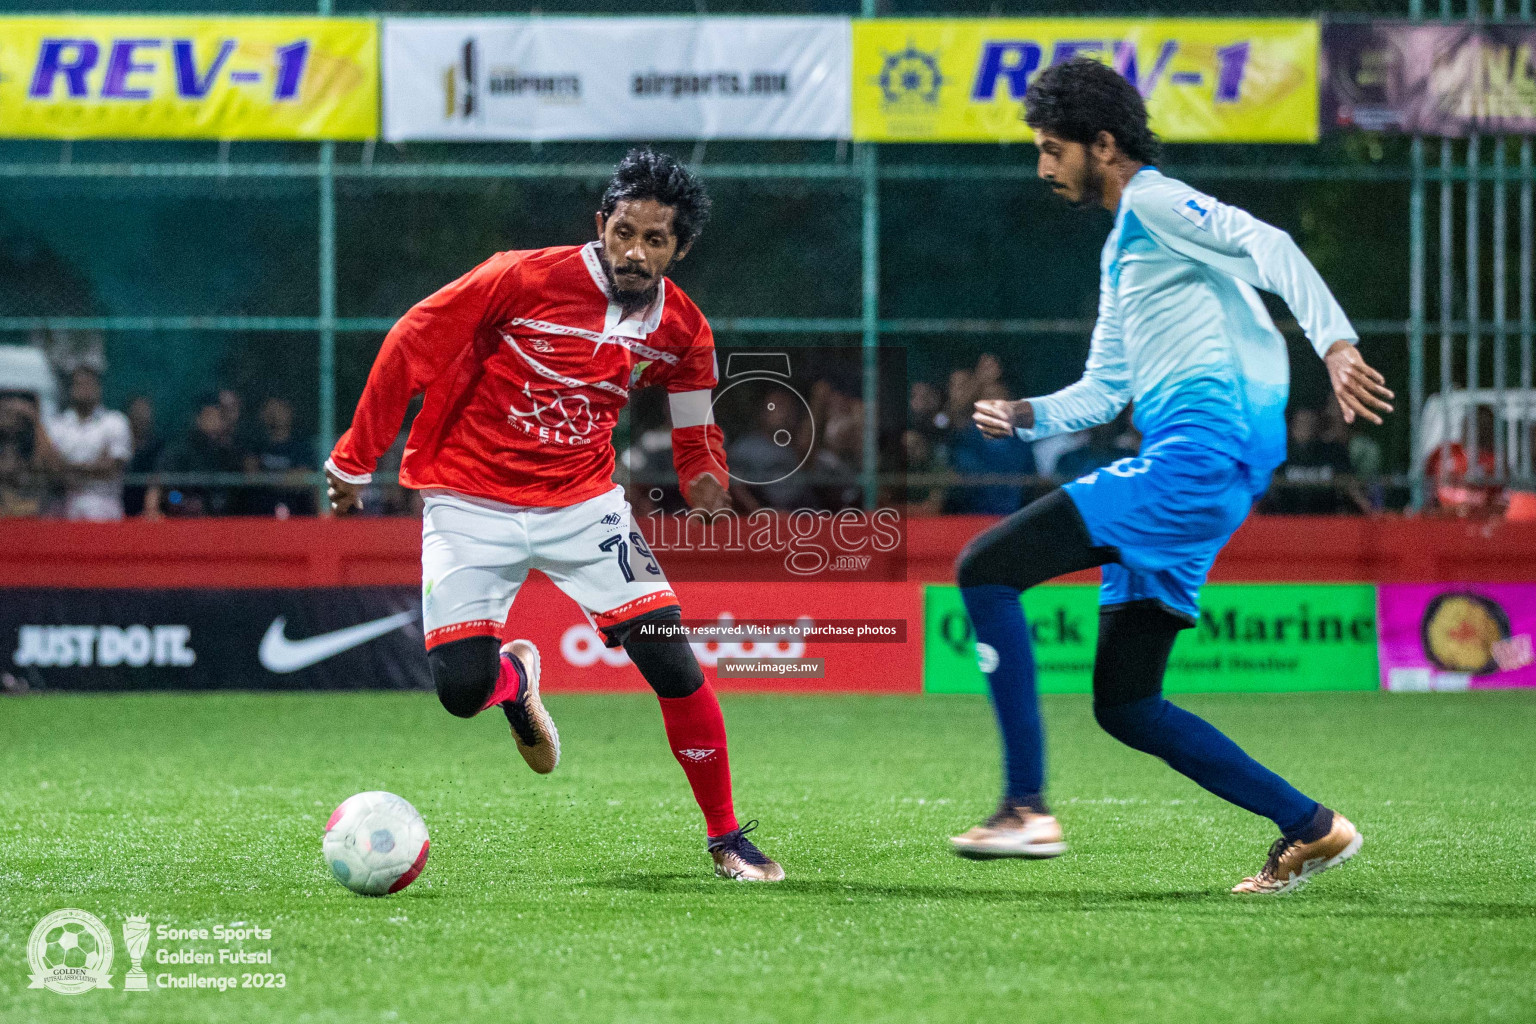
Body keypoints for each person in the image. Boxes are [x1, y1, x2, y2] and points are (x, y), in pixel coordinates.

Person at [952, 59, 1393, 894]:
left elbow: (1271, 244)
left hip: (1198, 458)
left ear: (1104, 144)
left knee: (986, 568)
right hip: (1205, 471)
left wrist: (1336, 342)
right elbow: (1104, 389)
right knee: (1125, 704)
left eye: (1054, 149)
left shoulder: (1155, 202)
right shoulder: (1128, 248)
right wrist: (1026, 414)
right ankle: (1311, 826)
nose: (1044, 167)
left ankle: (1023, 807)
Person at [324, 149, 782, 882]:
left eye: (654, 240)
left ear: (679, 248)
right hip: (469, 500)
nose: (634, 251)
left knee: (670, 657)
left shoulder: (683, 328)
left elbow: (695, 413)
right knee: (460, 691)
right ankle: (513, 682)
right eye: (623, 231)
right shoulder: (519, 276)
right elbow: (412, 341)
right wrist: (355, 458)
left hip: (584, 506)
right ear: (601, 223)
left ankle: (727, 836)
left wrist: (704, 479)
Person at [43, 366, 131, 521]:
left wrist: (66, 467)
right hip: (64, 507)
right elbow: (50, 467)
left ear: (99, 387)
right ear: (70, 389)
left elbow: (111, 468)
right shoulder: (57, 425)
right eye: (79, 384)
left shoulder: (115, 421)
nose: (84, 389)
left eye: (89, 384)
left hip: (104, 508)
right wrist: (92, 467)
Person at [144, 393, 244, 517]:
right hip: (181, 516)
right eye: (208, 415)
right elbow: (162, 488)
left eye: (217, 416)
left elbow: (235, 492)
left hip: (217, 521)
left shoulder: (226, 453)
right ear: (198, 418)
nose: (213, 421)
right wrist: (182, 501)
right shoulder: (179, 450)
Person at [244, 396, 316, 516]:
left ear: (289, 411)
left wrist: (267, 478)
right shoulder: (256, 445)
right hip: (261, 514)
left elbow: (302, 477)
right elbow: (251, 476)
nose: (275, 414)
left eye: (279, 408)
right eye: (270, 408)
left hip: (297, 512)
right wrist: (283, 479)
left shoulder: (301, 445)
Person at [0, 390, 59, 517]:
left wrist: (33, 418)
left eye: (16, 415)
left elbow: (55, 468)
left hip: (33, 516)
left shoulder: (36, 440)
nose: (10, 417)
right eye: (5, 412)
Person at [124, 395, 164, 517]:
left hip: (147, 509)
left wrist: (150, 508)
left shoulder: (157, 446)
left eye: (144, 412)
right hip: (118, 503)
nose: (141, 417)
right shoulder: (120, 443)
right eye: (137, 412)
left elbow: (158, 478)